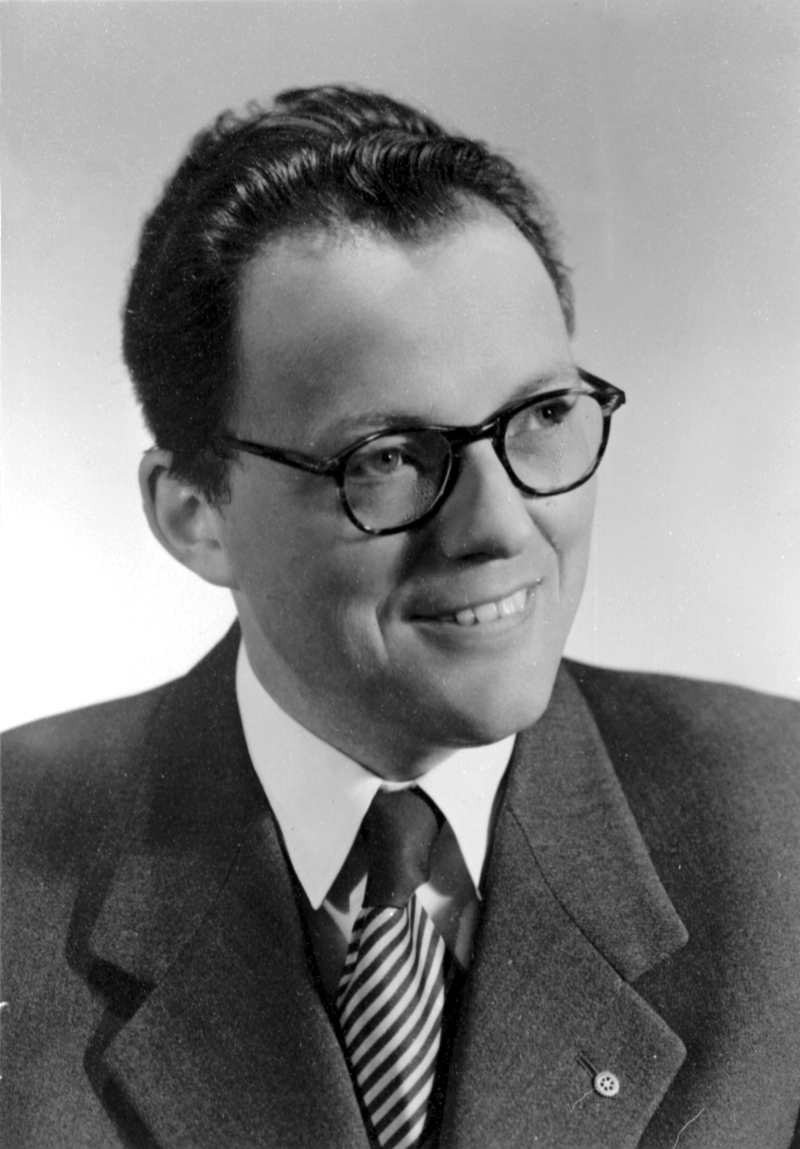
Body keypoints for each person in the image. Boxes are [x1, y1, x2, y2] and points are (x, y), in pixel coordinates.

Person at [2, 85, 798, 1149]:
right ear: (195, 515)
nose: (499, 525)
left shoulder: (781, 823)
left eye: (542, 415)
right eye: (386, 458)